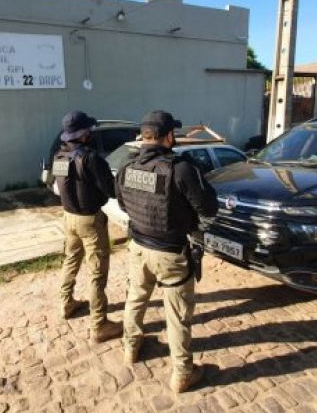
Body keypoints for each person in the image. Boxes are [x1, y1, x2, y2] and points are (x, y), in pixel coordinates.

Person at [116, 110, 218, 393]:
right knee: (177, 315)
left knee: (135, 299)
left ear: (144, 136)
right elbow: (209, 207)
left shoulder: (127, 166)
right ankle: (183, 373)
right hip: (171, 253)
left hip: (138, 248)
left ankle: (130, 348)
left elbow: (123, 205)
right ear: (169, 136)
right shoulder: (181, 168)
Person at [53, 111, 123, 343]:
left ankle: (66, 303)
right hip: (90, 221)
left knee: (71, 260)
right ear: (83, 134)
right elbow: (111, 190)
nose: (91, 133)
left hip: (68, 217)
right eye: (89, 130)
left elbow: (60, 186)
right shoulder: (92, 158)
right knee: (97, 272)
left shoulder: (59, 156)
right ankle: (99, 324)